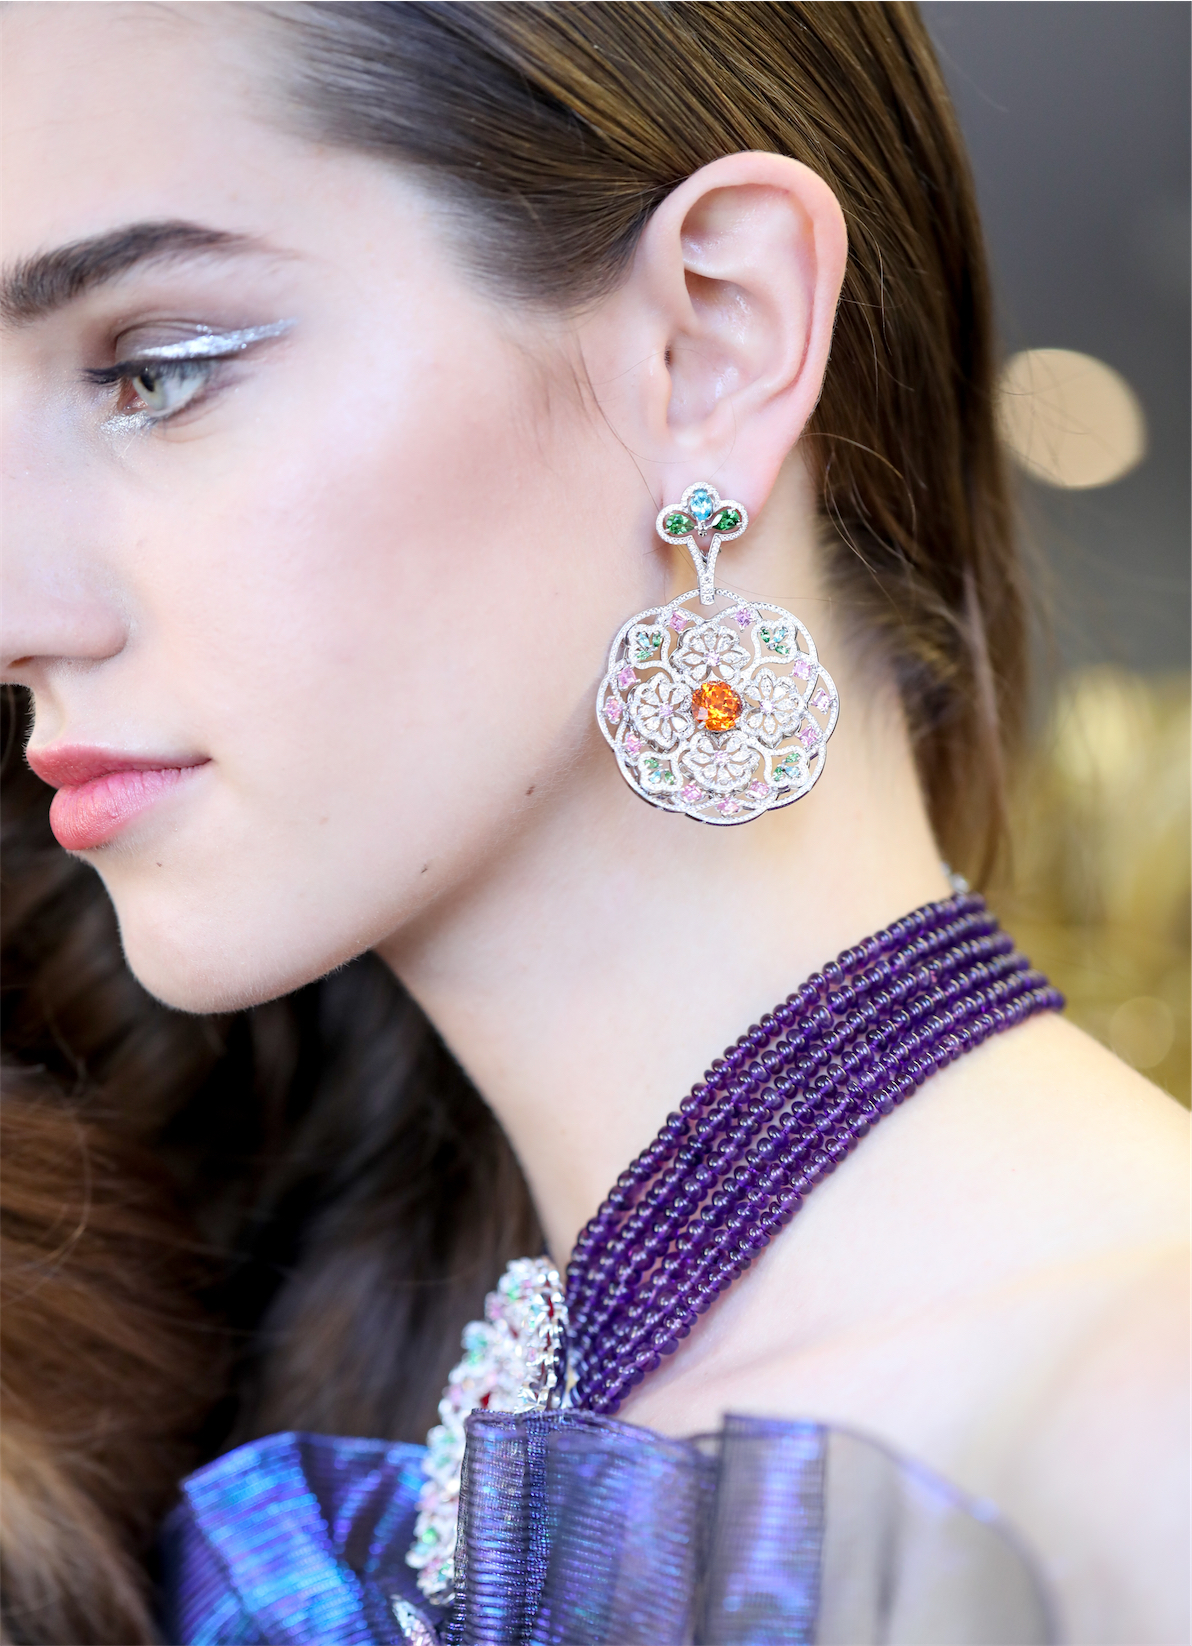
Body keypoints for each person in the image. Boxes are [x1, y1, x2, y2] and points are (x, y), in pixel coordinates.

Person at [2, 3, 1187, 1643]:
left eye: (157, 370)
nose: (17, 613)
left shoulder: (1144, 1411)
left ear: (714, 341)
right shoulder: (404, 1432)